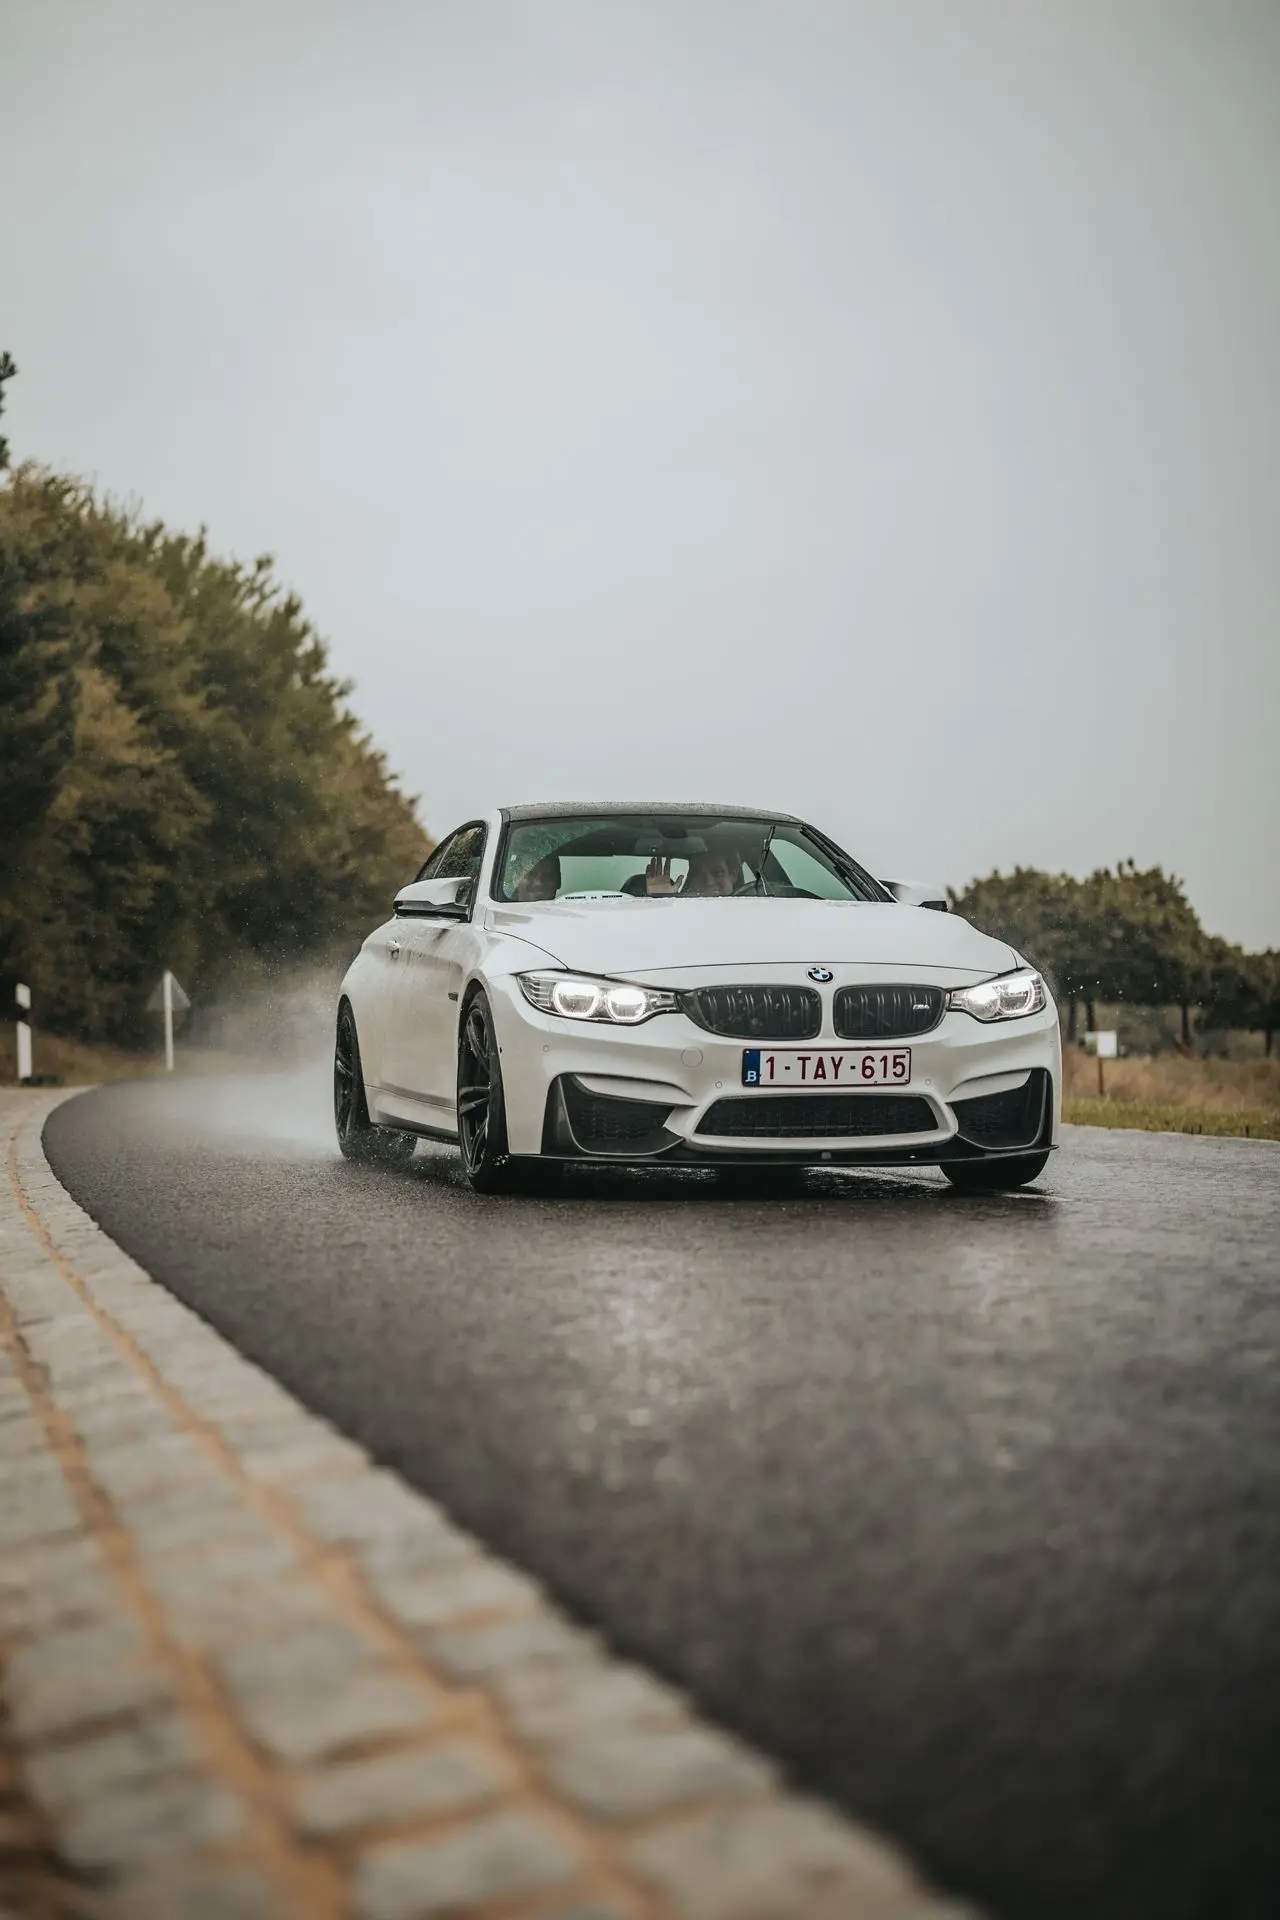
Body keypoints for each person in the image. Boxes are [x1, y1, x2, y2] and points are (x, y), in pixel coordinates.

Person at [640, 849, 740, 897]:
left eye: (718, 873)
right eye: (700, 875)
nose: (709, 882)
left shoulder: (752, 910)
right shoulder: (684, 912)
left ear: (733, 875)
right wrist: (662, 901)